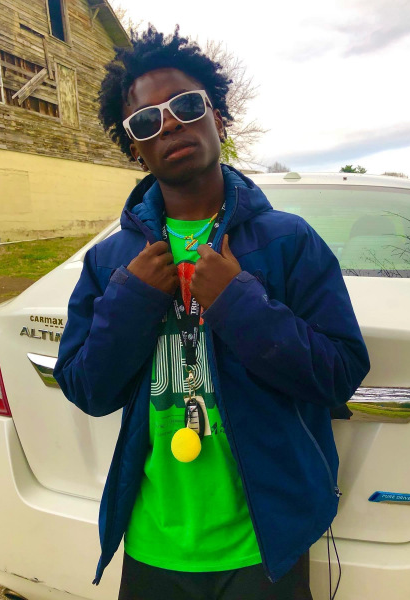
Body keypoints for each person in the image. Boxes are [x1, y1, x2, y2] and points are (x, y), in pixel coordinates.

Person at [54, 25, 370, 600]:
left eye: (185, 105)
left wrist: (238, 303)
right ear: (135, 149)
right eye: (145, 121)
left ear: (217, 118)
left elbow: (341, 372)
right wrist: (132, 301)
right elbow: (87, 390)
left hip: (264, 544)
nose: (169, 124)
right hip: (152, 541)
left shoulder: (288, 242)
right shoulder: (111, 262)